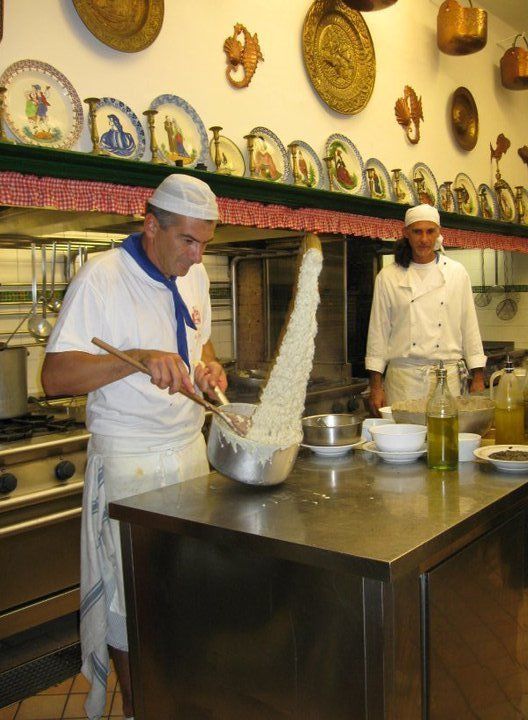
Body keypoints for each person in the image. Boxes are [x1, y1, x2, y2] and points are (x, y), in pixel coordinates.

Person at [41, 174, 227, 720]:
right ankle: (139, 707)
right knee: (130, 600)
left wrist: (209, 369)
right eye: (187, 241)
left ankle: (180, 699)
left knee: (186, 592)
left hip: (187, 455)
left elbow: (201, 343)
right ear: (151, 225)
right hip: (131, 464)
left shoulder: (194, 276)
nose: (196, 257)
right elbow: (55, 377)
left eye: (204, 243)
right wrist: (137, 358)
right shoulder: (101, 279)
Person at [365, 203, 486, 416]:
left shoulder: (457, 273)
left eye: (430, 231)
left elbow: (470, 327)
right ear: (406, 233)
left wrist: (478, 376)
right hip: (403, 380)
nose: (424, 239)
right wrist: (376, 386)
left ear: (439, 232)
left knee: (445, 433)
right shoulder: (388, 276)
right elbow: (378, 333)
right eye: (417, 232)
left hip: (446, 378)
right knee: (405, 435)